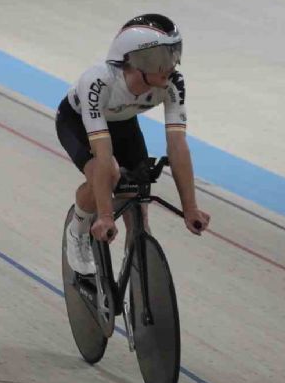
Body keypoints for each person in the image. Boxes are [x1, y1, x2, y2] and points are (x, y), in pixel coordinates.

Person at [56, 14, 211, 275]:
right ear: (136, 61)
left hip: (123, 124)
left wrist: (190, 207)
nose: (170, 66)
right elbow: (103, 154)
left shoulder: (173, 83)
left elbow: (178, 146)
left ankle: (137, 270)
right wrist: (104, 215)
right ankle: (78, 229)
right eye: (161, 59)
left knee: (138, 196)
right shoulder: (98, 81)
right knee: (108, 174)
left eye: (173, 55)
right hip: (79, 124)